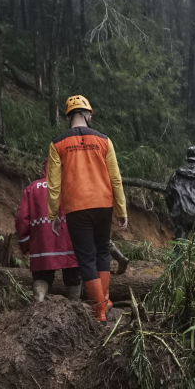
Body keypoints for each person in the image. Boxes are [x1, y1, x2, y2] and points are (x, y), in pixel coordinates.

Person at [46, 95, 128, 322]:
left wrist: (53, 214)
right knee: (102, 251)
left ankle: (99, 307)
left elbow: (54, 184)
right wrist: (121, 210)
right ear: (89, 114)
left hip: (76, 207)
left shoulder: (57, 143)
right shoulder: (104, 140)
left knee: (85, 257)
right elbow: (116, 179)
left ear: (68, 116)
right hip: (104, 204)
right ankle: (104, 302)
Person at [16, 162, 82, 302]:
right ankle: (76, 308)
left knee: (41, 278)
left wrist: (24, 242)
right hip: (70, 245)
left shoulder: (32, 188)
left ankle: (38, 305)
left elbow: (22, 218)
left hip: (42, 245)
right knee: (73, 279)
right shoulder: (73, 186)